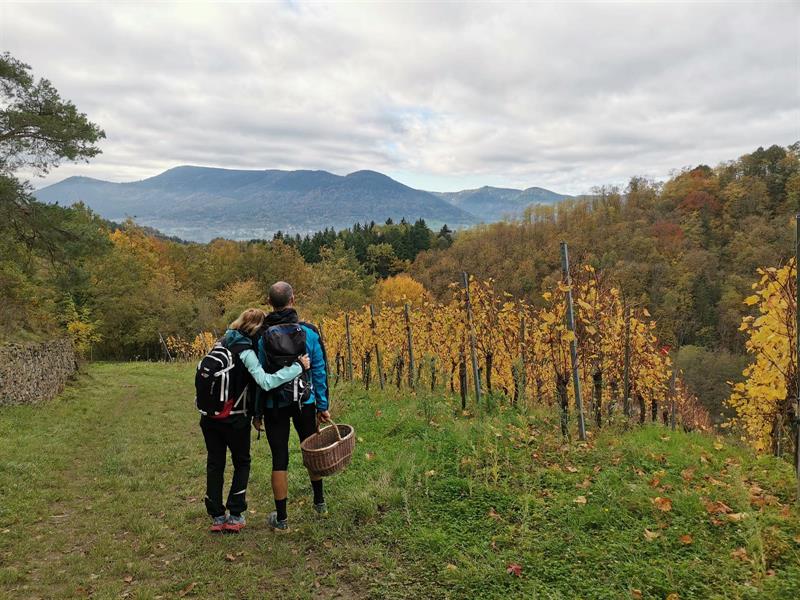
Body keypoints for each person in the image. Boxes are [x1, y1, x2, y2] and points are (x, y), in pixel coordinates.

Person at [199, 308, 310, 533]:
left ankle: (217, 516)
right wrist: (298, 367)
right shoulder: (246, 351)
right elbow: (266, 382)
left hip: (209, 417)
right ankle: (236, 515)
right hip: (235, 418)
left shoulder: (221, 343)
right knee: (242, 462)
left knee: (215, 463)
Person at [253, 281, 330, 532]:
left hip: (275, 403)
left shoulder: (262, 337)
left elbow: (259, 376)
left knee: (279, 458)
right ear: (293, 300)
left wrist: (257, 411)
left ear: (268, 303)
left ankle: (283, 519)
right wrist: (322, 405)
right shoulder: (309, 332)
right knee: (311, 450)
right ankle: (319, 503)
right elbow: (319, 370)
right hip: (304, 403)